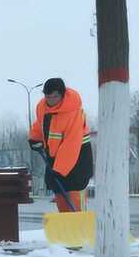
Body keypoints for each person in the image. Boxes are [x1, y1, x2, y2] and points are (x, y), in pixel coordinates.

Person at [28, 78, 93, 212]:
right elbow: (40, 125)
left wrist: (60, 169)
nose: (51, 100)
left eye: (55, 96)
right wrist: (34, 138)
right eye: (47, 96)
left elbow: (72, 142)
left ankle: (79, 227)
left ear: (62, 95)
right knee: (59, 193)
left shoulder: (73, 110)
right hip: (54, 155)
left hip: (78, 157)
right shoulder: (42, 107)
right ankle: (66, 228)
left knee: (74, 196)